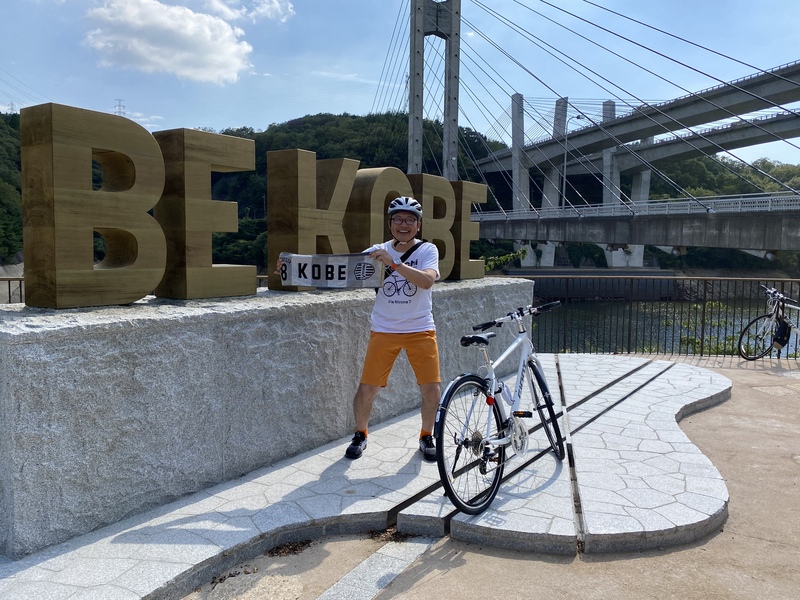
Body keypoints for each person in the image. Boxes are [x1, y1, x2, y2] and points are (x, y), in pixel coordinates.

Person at [275, 196, 441, 462]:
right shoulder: (377, 250)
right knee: (367, 390)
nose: (404, 224)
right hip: (384, 330)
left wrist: (394, 263)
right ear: (390, 223)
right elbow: (338, 269)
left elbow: (427, 281)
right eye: (398, 219)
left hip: (420, 329)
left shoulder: (427, 250)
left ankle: (426, 435)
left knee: (431, 390)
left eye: (410, 220)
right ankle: (360, 434)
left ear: (418, 225)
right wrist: (293, 268)